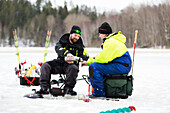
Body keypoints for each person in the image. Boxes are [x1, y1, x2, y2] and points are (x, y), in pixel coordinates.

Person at [82, 22, 132, 97]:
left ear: (104, 34)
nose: (99, 36)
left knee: (94, 67)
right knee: (97, 66)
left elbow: (103, 58)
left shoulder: (110, 42)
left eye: (100, 34)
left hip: (121, 66)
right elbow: (105, 57)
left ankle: (99, 93)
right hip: (122, 65)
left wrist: (89, 62)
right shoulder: (113, 40)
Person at [37, 25, 89, 96]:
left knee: (73, 68)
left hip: (71, 66)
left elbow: (86, 54)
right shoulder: (63, 41)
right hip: (59, 63)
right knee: (45, 65)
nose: (76, 38)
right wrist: (67, 53)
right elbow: (58, 48)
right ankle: (44, 88)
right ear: (71, 34)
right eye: (75, 35)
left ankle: (68, 89)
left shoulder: (80, 45)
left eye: (78, 36)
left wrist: (82, 59)